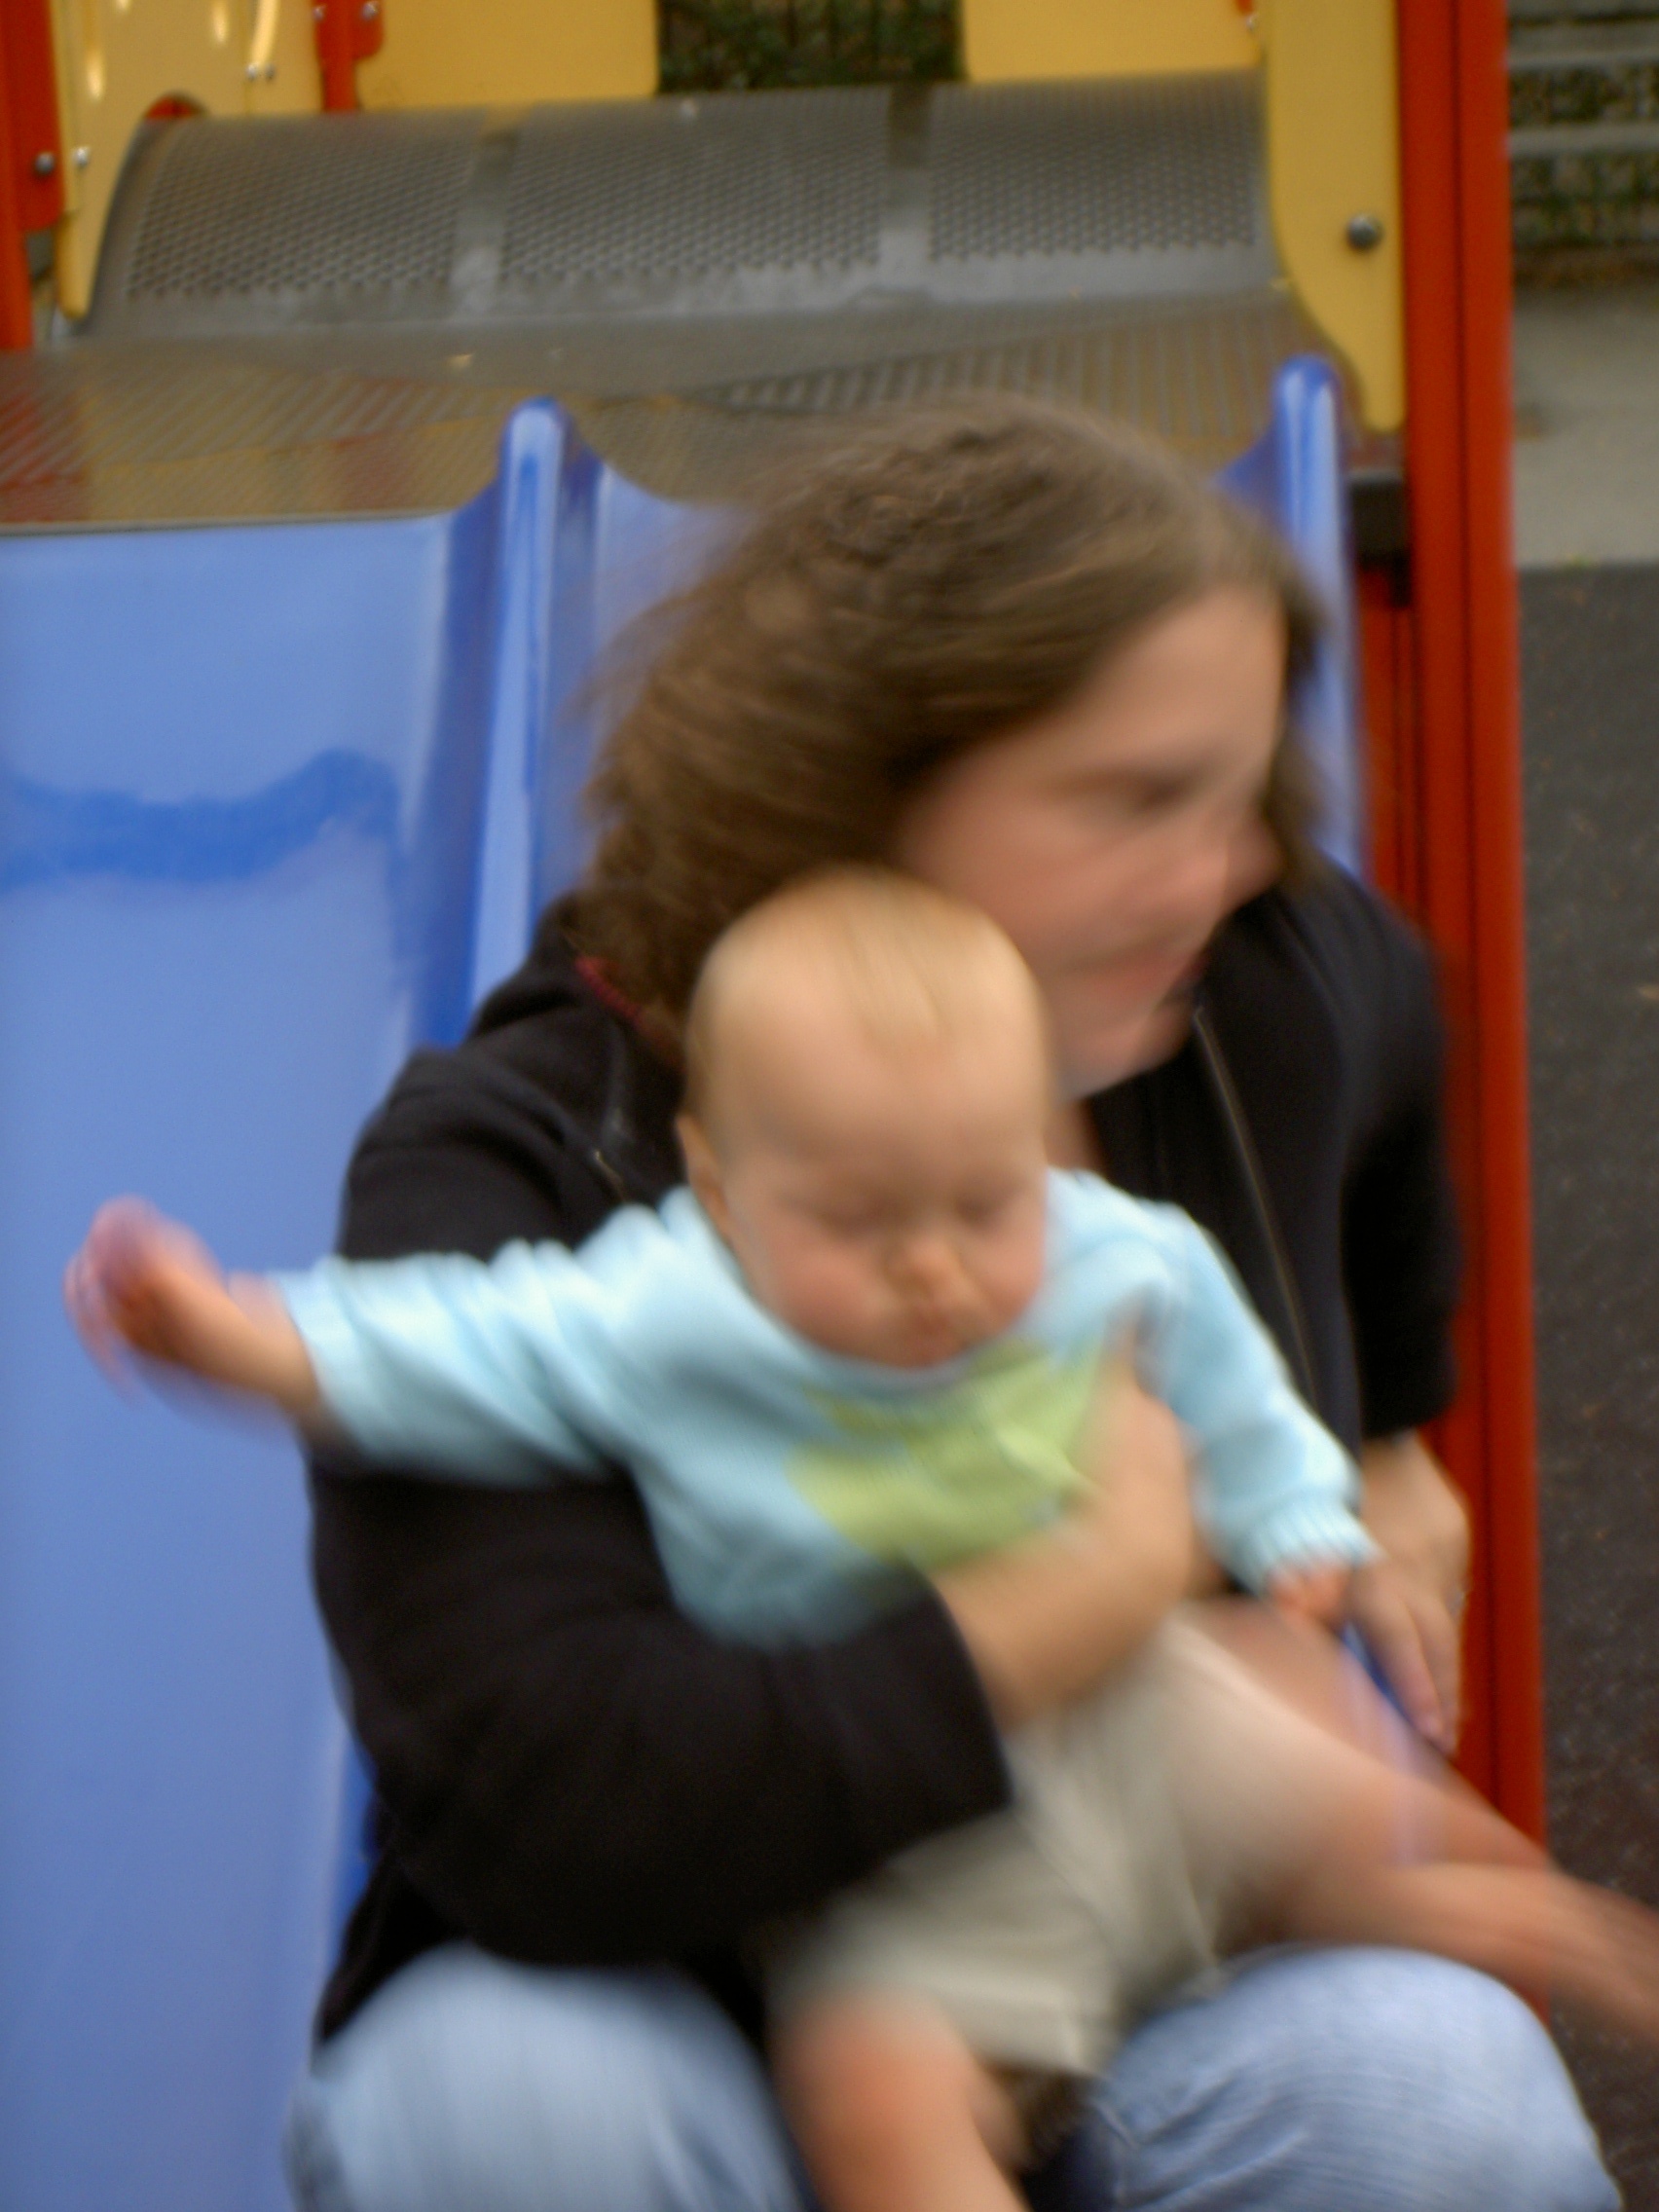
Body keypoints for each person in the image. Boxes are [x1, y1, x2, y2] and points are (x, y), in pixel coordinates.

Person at [234, 399, 1610, 2211]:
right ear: (866, 783)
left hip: (1104, 1942)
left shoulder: (1246, 994)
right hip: (677, 1979)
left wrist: (1391, 1431)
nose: (1226, 872)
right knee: (495, 2111)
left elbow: (1396, 1033)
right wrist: (1082, 1590)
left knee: (1443, 2084)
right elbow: (543, 1803)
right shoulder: (529, 1155)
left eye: (1243, 795)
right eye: (1135, 799)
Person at [65, 870, 1659, 2212]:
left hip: (1152, 1731)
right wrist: (232, 1335)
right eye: (859, 1220)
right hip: (916, 1847)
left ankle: (1562, 1928)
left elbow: (1218, 1360)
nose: (937, 1271)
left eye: (984, 1203)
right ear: (718, 1185)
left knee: (1353, 1799)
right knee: (872, 2084)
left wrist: (1297, 1506)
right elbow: (444, 1348)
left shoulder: (1100, 1248)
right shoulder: (661, 1314)